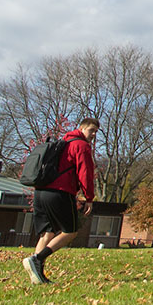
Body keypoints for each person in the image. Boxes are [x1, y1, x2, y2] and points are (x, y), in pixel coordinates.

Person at [23, 117, 98, 285]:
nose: (93, 134)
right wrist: (89, 198)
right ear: (82, 128)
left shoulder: (62, 142)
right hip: (60, 193)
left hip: (41, 191)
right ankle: (37, 259)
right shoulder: (81, 146)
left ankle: (37, 276)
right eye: (91, 130)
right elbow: (85, 173)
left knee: (47, 233)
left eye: (95, 132)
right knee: (70, 231)